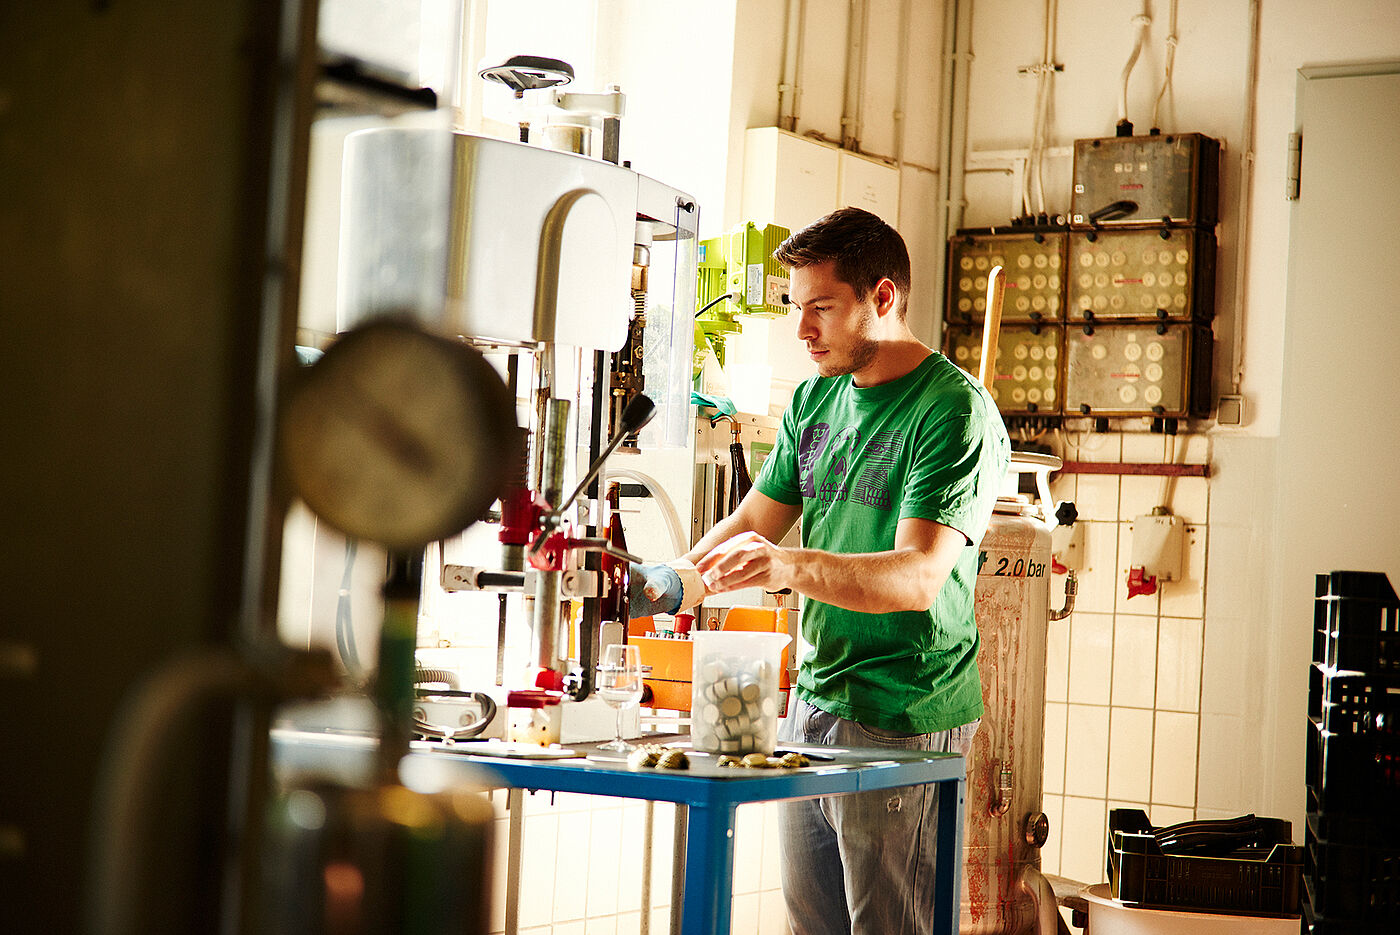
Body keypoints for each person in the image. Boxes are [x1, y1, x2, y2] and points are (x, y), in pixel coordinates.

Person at [630, 206, 1009, 935]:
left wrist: (786, 566)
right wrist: (678, 578)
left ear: (884, 298)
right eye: (797, 309)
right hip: (814, 704)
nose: (803, 330)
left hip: (903, 712)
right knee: (813, 927)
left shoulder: (952, 410)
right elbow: (752, 522)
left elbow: (919, 575)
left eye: (822, 309)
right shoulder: (813, 398)